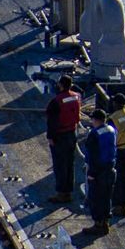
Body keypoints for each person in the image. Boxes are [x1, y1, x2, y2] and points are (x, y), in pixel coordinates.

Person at [45, 75, 82, 203]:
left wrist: (50, 137)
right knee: (69, 164)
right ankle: (68, 191)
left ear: (60, 85)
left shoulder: (56, 101)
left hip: (60, 136)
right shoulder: (76, 96)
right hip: (72, 133)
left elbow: (52, 122)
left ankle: (61, 193)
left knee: (60, 165)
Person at [85, 108, 117, 234]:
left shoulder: (94, 134)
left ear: (96, 120)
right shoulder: (111, 129)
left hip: (98, 171)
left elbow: (93, 155)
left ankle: (98, 224)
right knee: (106, 196)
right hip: (110, 167)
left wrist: (91, 173)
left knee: (96, 197)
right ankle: (105, 222)